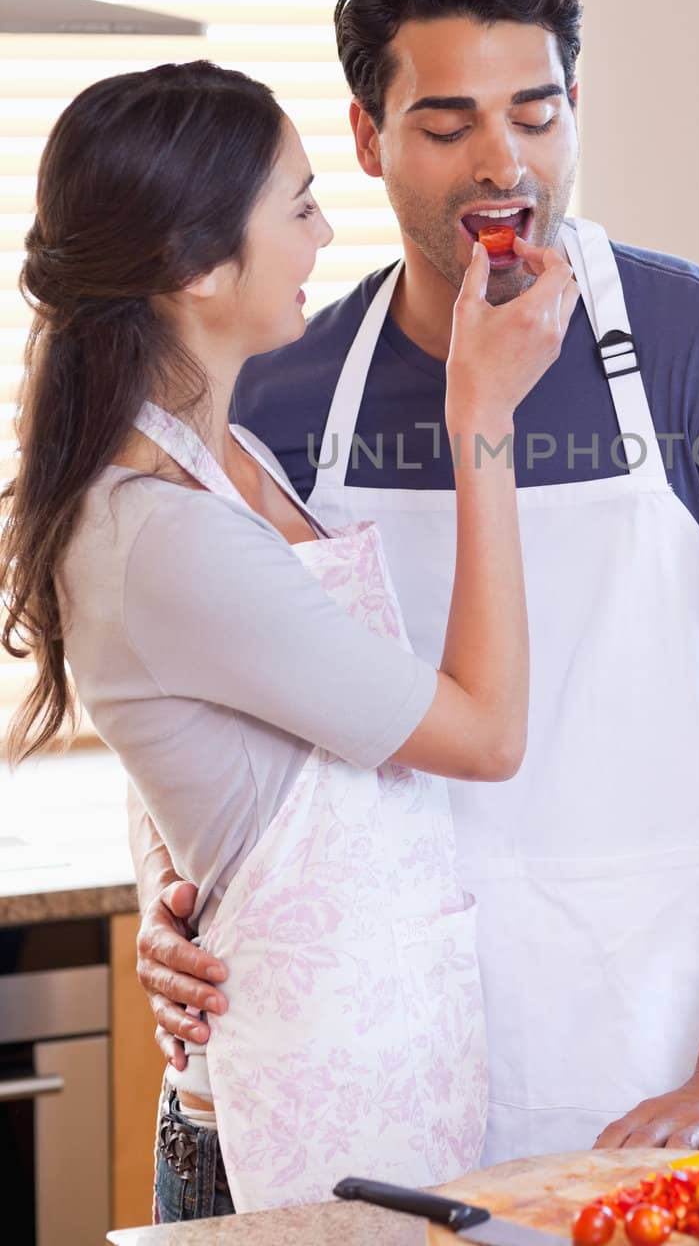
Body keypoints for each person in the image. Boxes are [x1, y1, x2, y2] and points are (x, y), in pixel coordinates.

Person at [135, 0, 699, 1180]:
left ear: (574, 107)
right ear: (366, 141)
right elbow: (195, 687)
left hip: (642, 1058)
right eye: (446, 124)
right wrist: (173, 898)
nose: (502, 162)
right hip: (361, 1055)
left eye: (536, 112)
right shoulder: (280, 390)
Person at [0, 60, 578, 1220]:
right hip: (280, 1146)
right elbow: (486, 731)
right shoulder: (157, 528)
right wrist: (484, 422)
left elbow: (205, 722)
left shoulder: (222, 458)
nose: (324, 234)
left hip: (379, 1110)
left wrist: (173, 864)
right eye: (300, 205)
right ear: (194, 266)